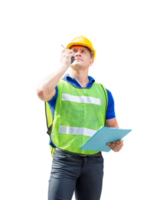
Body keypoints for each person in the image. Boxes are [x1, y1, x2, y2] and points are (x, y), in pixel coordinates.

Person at [34, 34, 126, 200]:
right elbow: (40, 92)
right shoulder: (58, 85)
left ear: (92, 61)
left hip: (95, 162)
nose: (77, 53)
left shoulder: (105, 92)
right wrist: (62, 67)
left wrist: (119, 143)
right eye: (73, 51)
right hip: (64, 161)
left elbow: (115, 127)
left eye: (83, 51)